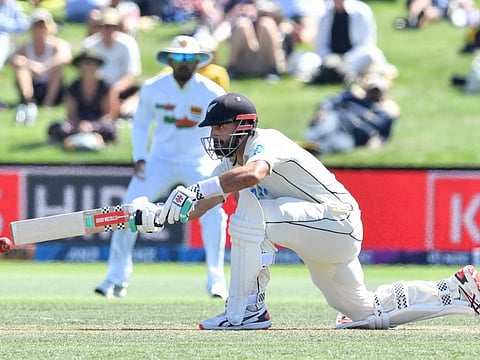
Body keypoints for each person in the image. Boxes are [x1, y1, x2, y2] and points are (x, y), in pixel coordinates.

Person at [130, 92, 480, 330]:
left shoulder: (267, 141)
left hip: (336, 221)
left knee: (252, 208)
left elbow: (252, 175)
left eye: (220, 127)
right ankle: (456, 290)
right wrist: (158, 215)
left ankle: (245, 311)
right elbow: (199, 205)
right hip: (316, 233)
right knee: (364, 312)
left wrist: (195, 190)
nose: (214, 135)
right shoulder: (226, 167)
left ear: (243, 126)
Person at [94, 35, 229, 300]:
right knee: (128, 210)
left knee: (215, 212)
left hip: (197, 162)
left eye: (189, 59)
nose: (183, 64)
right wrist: (140, 156)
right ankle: (116, 278)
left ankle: (217, 281)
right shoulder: (153, 87)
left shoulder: (211, 92)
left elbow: (223, 131)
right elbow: (141, 124)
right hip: (159, 161)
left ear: (198, 61)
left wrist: (217, 163)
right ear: (169, 59)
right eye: (178, 58)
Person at [301, 74, 400, 155]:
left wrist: (378, 141)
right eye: (372, 90)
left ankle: (311, 154)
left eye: (377, 91)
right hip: (337, 120)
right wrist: (322, 111)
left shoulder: (386, 114)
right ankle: (303, 146)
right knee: (325, 127)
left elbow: (384, 135)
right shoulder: (355, 97)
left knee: (337, 145)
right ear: (367, 89)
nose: (374, 93)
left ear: (383, 92)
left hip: (350, 135)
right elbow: (329, 102)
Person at [10, 8, 72, 125]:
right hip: (33, 85)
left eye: (42, 26)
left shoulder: (56, 44)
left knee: (57, 69)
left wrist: (44, 66)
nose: (40, 29)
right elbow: (13, 60)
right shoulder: (26, 46)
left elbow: (65, 57)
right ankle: (29, 101)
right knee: (22, 69)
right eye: (37, 26)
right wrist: (30, 64)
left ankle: (48, 103)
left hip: (52, 87)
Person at [47, 50, 119, 151]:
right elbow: (71, 115)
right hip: (77, 124)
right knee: (56, 127)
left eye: (92, 64)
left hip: (99, 123)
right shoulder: (72, 87)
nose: (89, 67)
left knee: (109, 129)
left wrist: (92, 126)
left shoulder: (106, 86)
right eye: (86, 63)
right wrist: (79, 125)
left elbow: (109, 115)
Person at [312, 0, 396, 85]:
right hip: (332, 58)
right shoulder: (324, 12)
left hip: (354, 59)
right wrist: (329, 58)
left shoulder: (362, 10)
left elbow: (367, 44)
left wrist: (344, 59)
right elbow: (321, 44)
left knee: (372, 54)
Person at [82, 6, 141, 118]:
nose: (108, 30)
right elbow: (84, 72)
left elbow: (131, 75)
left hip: (122, 89)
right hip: (96, 89)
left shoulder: (128, 44)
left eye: (111, 26)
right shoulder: (89, 45)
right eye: (104, 26)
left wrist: (114, 89)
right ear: (98, 28)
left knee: (132, 104)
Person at [215, 0, 289, 80]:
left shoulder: (272, 3)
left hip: (266, 56)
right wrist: (238, 13)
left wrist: (259, 12)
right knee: (242, 24)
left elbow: (282, 23)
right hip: (244, 57)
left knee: (266, 23)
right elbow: (223, 23)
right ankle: (231, 68)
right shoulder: (236, 2)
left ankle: (274, 69)